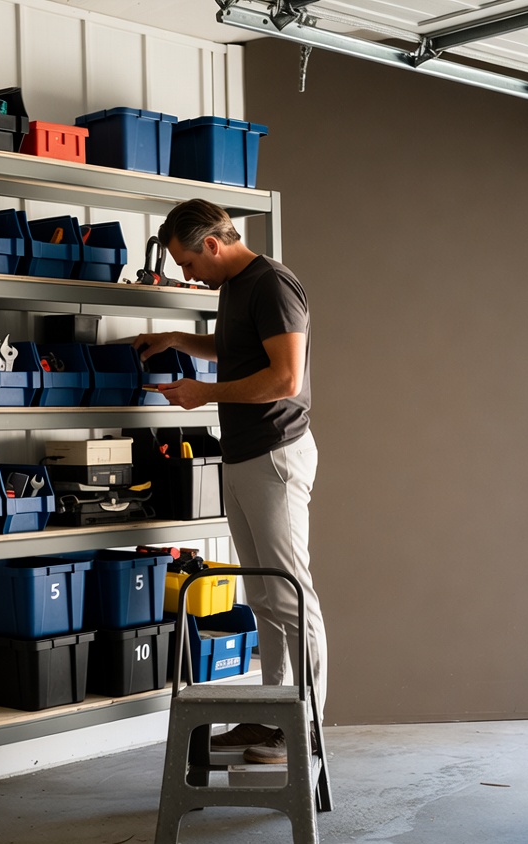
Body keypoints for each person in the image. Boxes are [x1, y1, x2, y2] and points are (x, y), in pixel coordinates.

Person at [134, 199, 328, 765]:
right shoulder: (235, 288)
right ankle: (271, 716)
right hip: (244, 456)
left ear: (213, 245)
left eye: (188, 263)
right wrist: (178, 338)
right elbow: (238, 350)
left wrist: (206, 393)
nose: (188, 274)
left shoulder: (272, 285)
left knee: (291, 595)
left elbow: (285, 378)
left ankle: (304, 729)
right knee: (264, 597)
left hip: (276, 455)